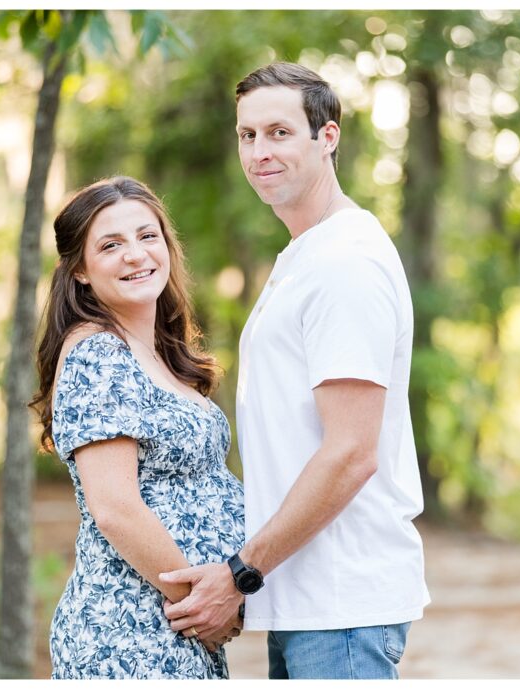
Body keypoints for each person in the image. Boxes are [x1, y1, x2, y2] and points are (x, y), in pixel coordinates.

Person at [160, 63, 430, 679]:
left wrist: (242, 572)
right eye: (247, 135)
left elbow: (351, 453)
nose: (259, 151)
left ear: (326, 137)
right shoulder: (306, 256)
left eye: (279, 132)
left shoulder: (345, 263)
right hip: (304, 600)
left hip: (342, 604)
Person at [32, 176, 245, 679]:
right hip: (129, 631)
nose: (136, 255)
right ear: (80, 270)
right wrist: (201, 604)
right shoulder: (97, 352)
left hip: (170, 628)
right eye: (111, 245)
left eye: (147, 236)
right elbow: (116, 509)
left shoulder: (158, 354)